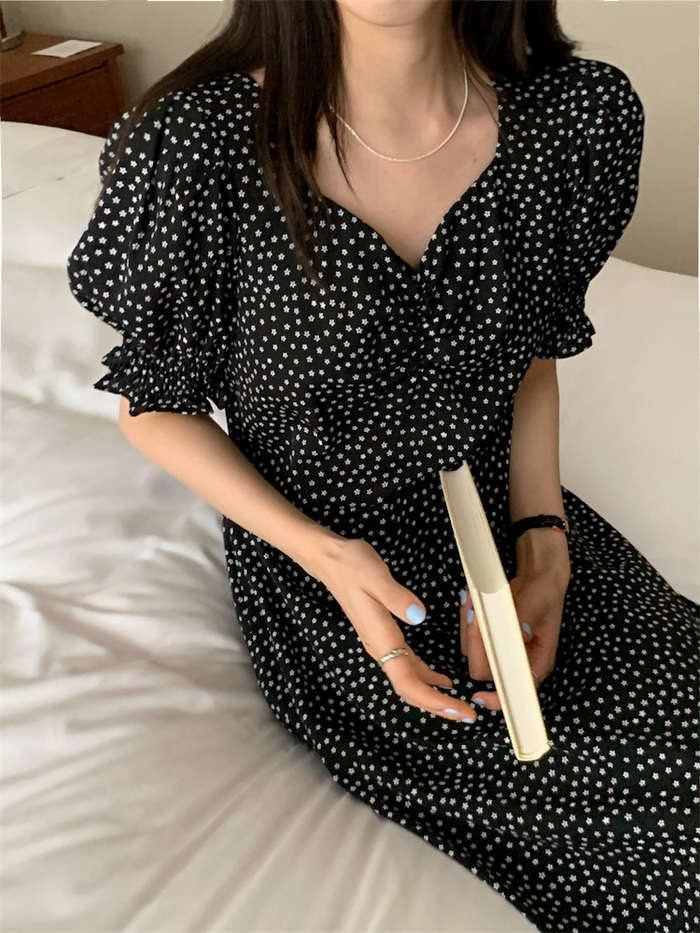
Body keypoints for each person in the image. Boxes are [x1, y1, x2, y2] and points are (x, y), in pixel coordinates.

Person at [65, 1, 699, 929]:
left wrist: (545, 544)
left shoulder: (571, 118)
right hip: (332, 567)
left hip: (497, 521)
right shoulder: (198, 144)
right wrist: (326, 558)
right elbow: (155, 405)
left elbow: (533, 355)